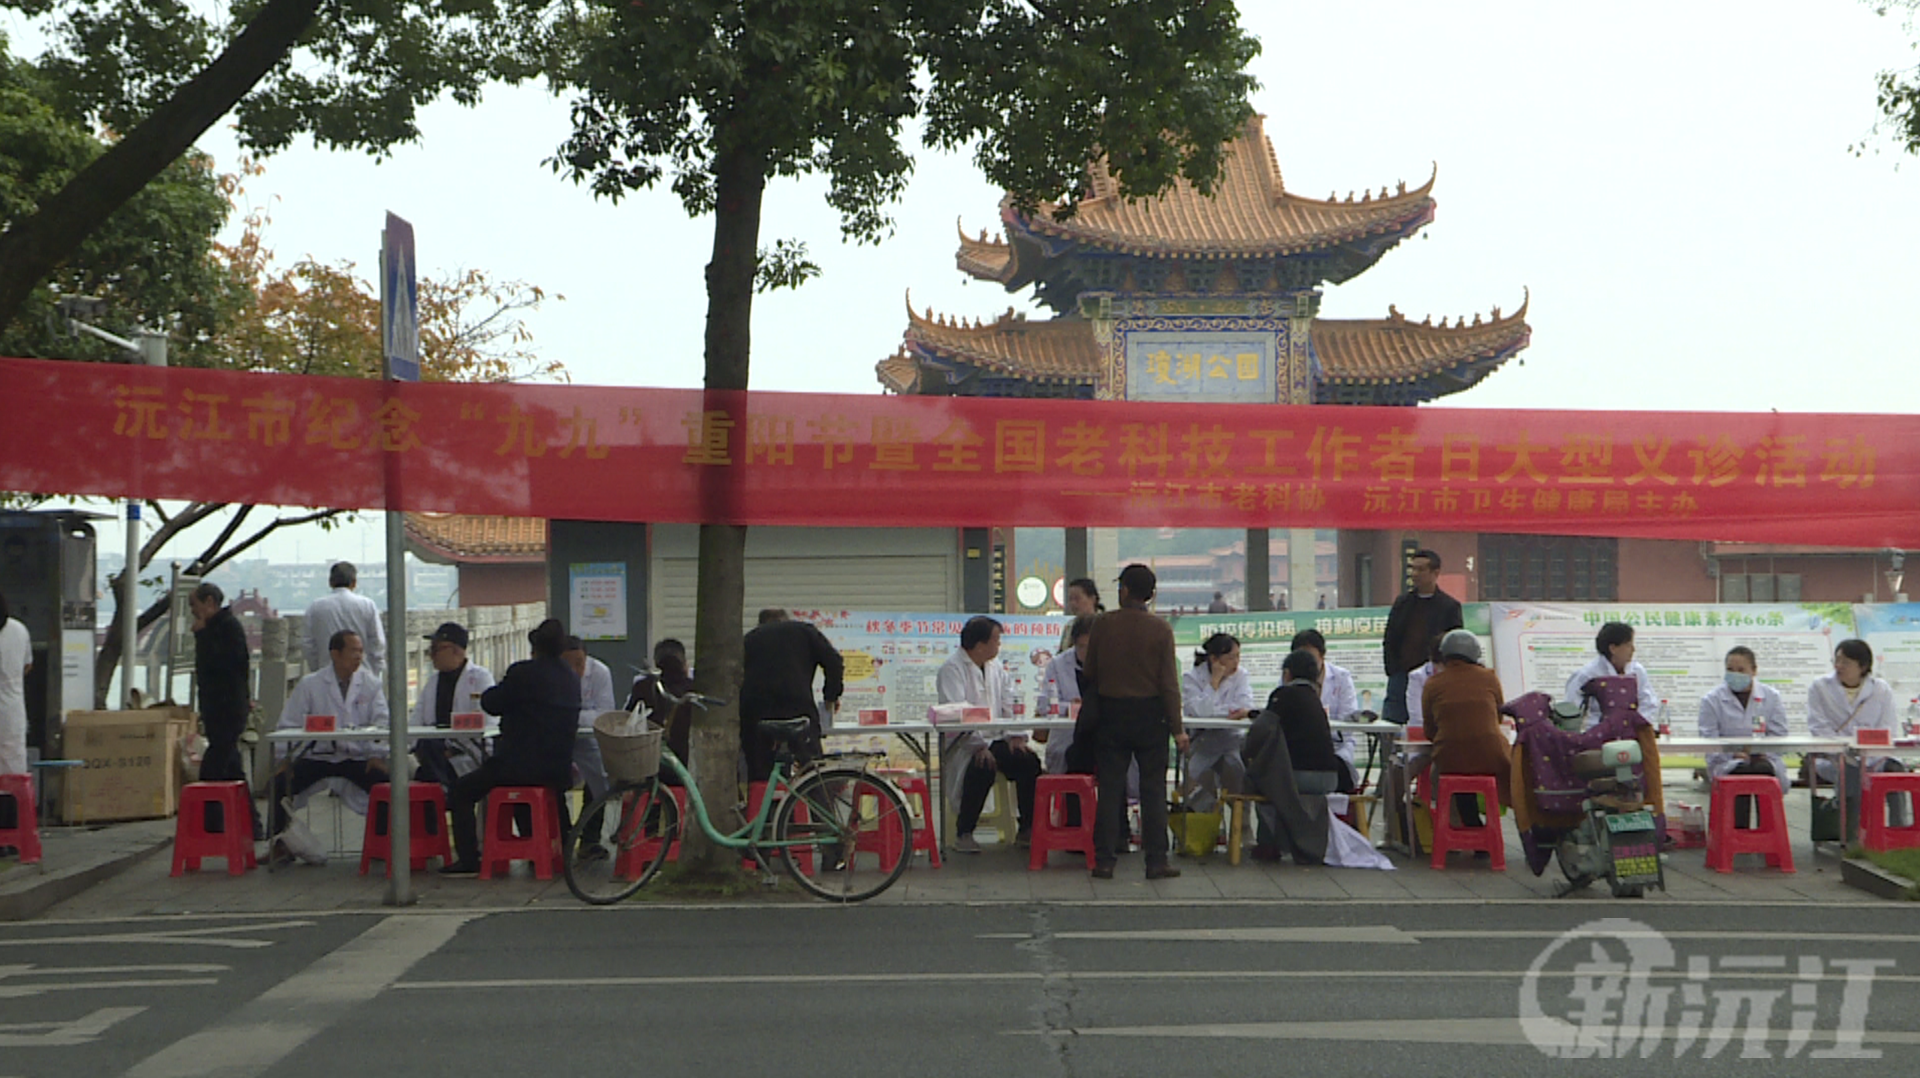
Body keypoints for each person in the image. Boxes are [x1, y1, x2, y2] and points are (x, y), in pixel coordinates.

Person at [442, 619, 581, 876]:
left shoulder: (523, 673)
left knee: (461, 791)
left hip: (517, 766)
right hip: (558, 769)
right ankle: (557, 851)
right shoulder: (571, 678)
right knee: (546, 798)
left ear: (534, 647)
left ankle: (470, 860)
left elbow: (491, 702)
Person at [1079, 563, 1188, 880]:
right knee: (1152, 790)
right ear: (1151, 596)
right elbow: (1169, 684)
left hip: (1112, 715)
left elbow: (1090, 673)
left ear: (1124, 591)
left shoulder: (1102, 625)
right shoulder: (1161, 630)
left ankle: (1105, 860)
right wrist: (1178, 728)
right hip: (1150, 716)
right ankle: (1156, 861)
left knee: (1111, 789)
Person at [270, 630, 388, 847]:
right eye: (353, 651)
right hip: (317, 757)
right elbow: (289, 724)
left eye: (361, 651)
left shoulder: (371, 684)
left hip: (356, 757)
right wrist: (285, 759)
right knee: (279, 785)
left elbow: (382, 722)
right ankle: (280, 845)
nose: (358, 657)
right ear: (335, 653)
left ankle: (381, 845)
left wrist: (376, 754)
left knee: (385, 785)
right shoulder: (310, 684)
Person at [937, 616, 1042, 853]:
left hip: (996, 738)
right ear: (980, 644)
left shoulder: (996, 668)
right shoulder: (952, 669)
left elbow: (1010, 702)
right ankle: (964, 832)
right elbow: (957, 712)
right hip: (965, 743)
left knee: (1029, 762)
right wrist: (978, 745)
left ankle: (1027, 829)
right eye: (996, 640)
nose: (999, 645)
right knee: (982, 766)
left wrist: (1016, 735)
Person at [1807, 639, 1907, 841]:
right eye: (1837, 660)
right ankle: (1853, 838)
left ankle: (1900, 835)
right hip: (1835, 756)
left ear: (1862, 666)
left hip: (1875, 757)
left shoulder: (1880, 689)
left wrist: (1869, 756)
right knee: (1851, 772)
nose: (1838, 666)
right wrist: (1847, 751)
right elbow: (1818, 727)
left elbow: (1887, 729)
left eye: (1845, 662)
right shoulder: (1820, 687)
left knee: (1895, 772)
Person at [190, 582, 264, 839]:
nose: (194, 612)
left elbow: (221, 665)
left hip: (227, 709)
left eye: (195, 606)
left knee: (212, 770)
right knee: (232, 770)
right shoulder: (217, 627)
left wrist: (201, 636)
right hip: (217, 708)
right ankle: (248, 825)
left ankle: (211, 825)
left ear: (210, 602)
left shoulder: (226, 628)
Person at [739, 609, 843, 782]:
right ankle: (817, 805)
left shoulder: (749, 639)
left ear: (760, 624)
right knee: (811, 770)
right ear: (787, 620)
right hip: (799, 709)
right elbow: (834, 662)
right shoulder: (805, 632)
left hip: (757, 715)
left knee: (761, 775)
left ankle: (767, 806)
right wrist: (831, 696)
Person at [1420, 629, 1510, 830]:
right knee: (1492, 765)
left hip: (1449, 757)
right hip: (1491, 757)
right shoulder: (1489, 677)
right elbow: (1498, 716)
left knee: (1447, 770)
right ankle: (1489, 831)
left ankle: (1465, 829)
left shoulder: (1433, 684)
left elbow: (1430, 729)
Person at [1698, 645, 1788, 829]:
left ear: (1754, 671)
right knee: (1740, 773)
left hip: (1763, 759)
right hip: (1727, 761)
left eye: (1741, 670)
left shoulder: (1771, 697)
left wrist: (1762, 751)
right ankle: (1738, 832)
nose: (1735, 675)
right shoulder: (1712, 700)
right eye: (1730, 670)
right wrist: (1732, 755)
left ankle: (1768, 832)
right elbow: (1708, 738)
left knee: (1762, 770)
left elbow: (1779, 734)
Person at [1380, 549, 1463, 724]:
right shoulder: (1402, 603)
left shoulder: (1449, 606)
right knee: (1393, 724)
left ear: (1435, 572)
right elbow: (1390, 639)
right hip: (1401, 675)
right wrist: (1393, 669)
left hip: (1433, 676)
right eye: (1412, 569)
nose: (1414, 574)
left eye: (1420, 569)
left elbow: (1455, 643)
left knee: (1434, 722)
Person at [410, 622, 494, 790]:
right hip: (435, 754)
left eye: (436, 649)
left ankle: (443, 789)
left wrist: (451, 749)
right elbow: (415, 723)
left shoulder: (479, 678)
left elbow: (488, 723)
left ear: (456, 650)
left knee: (430, 779)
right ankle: (442, 789)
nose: (431, 655)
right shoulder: (433, 683)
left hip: (468, 754)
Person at [1180, 633, 1253, 813]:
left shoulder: (1241, 675)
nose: (1236, 662)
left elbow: (1244, 706)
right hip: (1202, 740)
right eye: (1230, 657)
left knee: (1238, 778)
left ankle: (1242, 828)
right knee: (1196, 781)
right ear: (1214, 659)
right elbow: (1200, 712)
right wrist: (1214, 682)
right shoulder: (1192, 677)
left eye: (1238, 656)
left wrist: (1218, 713)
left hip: (1230, 739)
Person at [1265, 649, 1349, 793]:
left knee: (1257, 782)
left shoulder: (1282, 695)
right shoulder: (1315, 700)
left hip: (1297, 777)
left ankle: (1284, 816)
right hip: (1330, 778)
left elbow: (1264, 731)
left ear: (1287, 674)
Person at [1291, 629, 1359, 791]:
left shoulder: (1341, 677)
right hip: (1300, 746)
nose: (1306, 664)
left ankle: (1337, 815)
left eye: (1311, 658)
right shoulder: (1289, 677)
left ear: (1322, 656)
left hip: (1336, 744)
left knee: (1337, 771)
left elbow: (1348, 716)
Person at [1564, 621, 1661, 727]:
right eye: (1628, 645)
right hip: (1596, 735)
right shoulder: (1587, 675)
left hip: (1632, 735)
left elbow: (1648, 702)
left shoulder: (1637, 671)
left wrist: (1637, 726)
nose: (1633, 650)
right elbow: (1571, 710)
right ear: (1613, 648)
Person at [303, 561, 385, 682]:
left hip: (327, 675)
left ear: (330, 582)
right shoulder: (367, 605)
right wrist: (375, 672)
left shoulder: (315, 607)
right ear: (354, 583)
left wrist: (317, 668)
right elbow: (377, 642)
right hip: (362, 674)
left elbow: (308, 644)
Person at [627, 638, 694, 785]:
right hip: (688, 765)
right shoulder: (693, 689)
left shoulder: (643, 686)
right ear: (683, 663)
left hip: (648, 764)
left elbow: (628, 717)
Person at [1036, 616, 1093, 774]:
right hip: (1066, 740)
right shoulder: (1057, 664)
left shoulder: (1108, 663)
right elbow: (1043, 706)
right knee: (1076, 757)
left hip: (1100, 739)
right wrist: (1070, 708)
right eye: (1082, 647)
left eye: (1091, 647)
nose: (1086, 653)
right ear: (1074, 643)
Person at [0, 590, 32, 798]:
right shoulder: (19, 629)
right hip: (12, 710)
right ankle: (14, 822)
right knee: (13, 773)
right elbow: (27, 665)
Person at [1059, 577, 1103, 650]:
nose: (1073, 604)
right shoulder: (1069, 626)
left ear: (1093, 599)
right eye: (1070, 599)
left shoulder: (1105, 624)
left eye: (1077, 599)